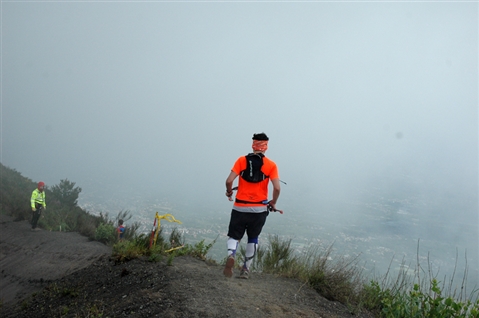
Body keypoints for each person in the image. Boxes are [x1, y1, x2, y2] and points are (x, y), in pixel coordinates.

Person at [223, 132, 281, 279]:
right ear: (265, 147)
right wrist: (273, 202)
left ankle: (231, 255)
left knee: (234, 236)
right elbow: (277, 188)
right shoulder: (271, 165)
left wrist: (229, 192)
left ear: (253, 145)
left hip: (240, 207)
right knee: (253, 238)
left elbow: (229, 181)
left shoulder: (241, 161)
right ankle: (245, 269)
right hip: (259, 209)